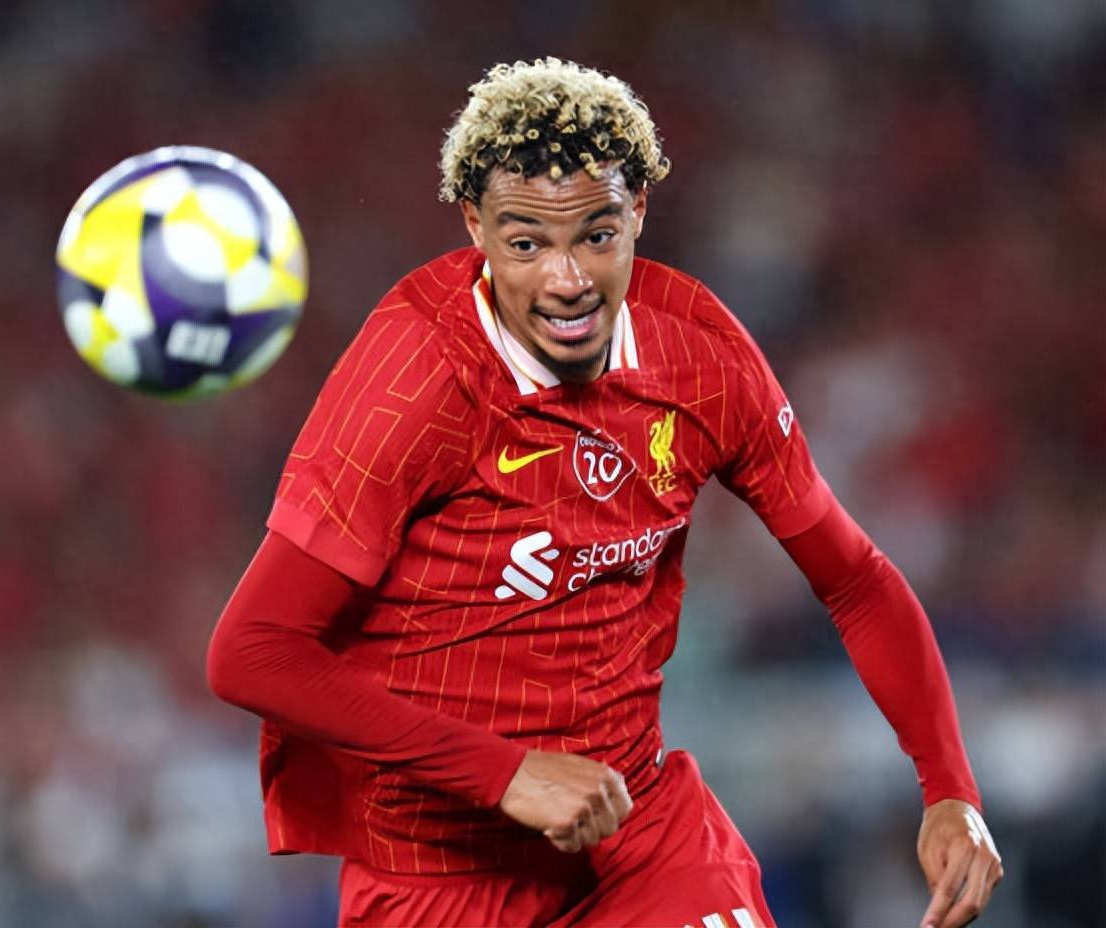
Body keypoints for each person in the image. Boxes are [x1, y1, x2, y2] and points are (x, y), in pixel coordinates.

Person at [207, 58, 1001, 927]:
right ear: (475, 225)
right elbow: (253, 651)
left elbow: (854, 580)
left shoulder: (698, 357)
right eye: (525, 244)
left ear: (638, 214)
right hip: (438, 873)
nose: (567, 280)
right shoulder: (413, 382)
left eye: (596, 235)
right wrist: (508, 774)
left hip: (639, 844)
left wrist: (949, 789)